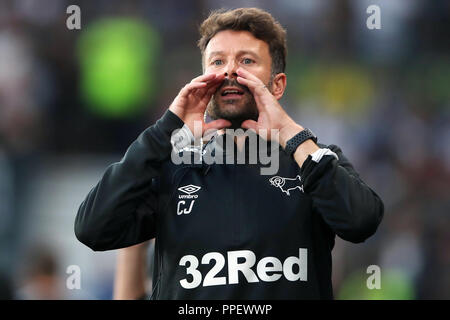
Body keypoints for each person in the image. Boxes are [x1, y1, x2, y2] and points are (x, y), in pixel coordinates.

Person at [75, 7, 384, 299]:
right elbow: (93, 228)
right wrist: (163, 132)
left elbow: (361, 221)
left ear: (277, 86)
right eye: (217, 62)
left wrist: (290, 133)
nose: (230, 71)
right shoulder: (172, 167)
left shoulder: (313, 160)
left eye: (247, 61)